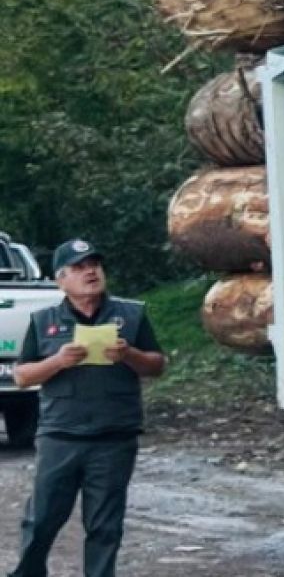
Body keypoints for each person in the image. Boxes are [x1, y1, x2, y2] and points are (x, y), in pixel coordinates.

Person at [6, 240, 166, 577]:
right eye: (79, 267)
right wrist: (58, 361)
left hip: (114, 436)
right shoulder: (43, 320)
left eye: (94, 264)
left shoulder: (131, 314)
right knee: (43, 519)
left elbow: (156, 365)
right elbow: (21, 376)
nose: (90, 272)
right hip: (61, 435)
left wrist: (129, 355)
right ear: (60, 281)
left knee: (105, 526)